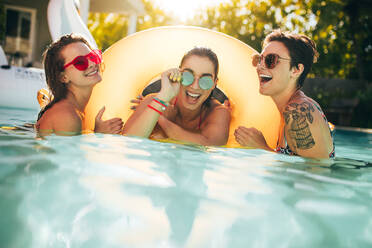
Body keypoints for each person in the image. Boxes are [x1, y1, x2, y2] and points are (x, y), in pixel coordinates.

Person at [234, 30, 334, 159]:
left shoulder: (296, 112)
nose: (260, 67)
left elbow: (317, 171)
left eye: (271, 60)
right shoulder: (287, 110)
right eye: (259, 59)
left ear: (296, 70)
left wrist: (261, 147)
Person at [123, 47, 231, 146]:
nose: (195, 86)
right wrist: (162, 98)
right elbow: (128, 141)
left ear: (214, 83)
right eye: (188, 76)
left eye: (205, 80)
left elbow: (212, 144)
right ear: (178, 74)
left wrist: (160, 119)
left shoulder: (218, 113)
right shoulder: (154, 101)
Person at [36, 34, 123, 136]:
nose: (92, 64)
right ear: (63, 77)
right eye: (80, 62)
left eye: (92, 56)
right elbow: (66, 152)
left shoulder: (75, 109)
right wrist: (97, 135)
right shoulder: (67, 116)